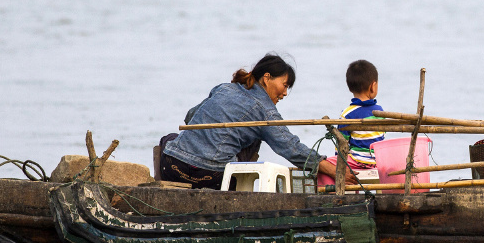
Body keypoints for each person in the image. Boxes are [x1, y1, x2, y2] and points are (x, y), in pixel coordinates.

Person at [160, 53, 349, 189]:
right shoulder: (265, 112)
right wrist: (335, 171)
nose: (284, 93)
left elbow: (190, 117)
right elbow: (292, 148)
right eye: (284, 85)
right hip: (211, 177)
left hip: (171, 167)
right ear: (267, 78)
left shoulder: (224, 88)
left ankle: (163, 186)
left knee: (168, 139)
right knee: (255, 137)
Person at [338, 59, 386, 171]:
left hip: (356, 163)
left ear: (349, 87)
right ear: (373, 86)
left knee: (326, 163)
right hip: (378, 162)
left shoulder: (347, 114)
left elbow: (341, 144)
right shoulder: (380, 112)